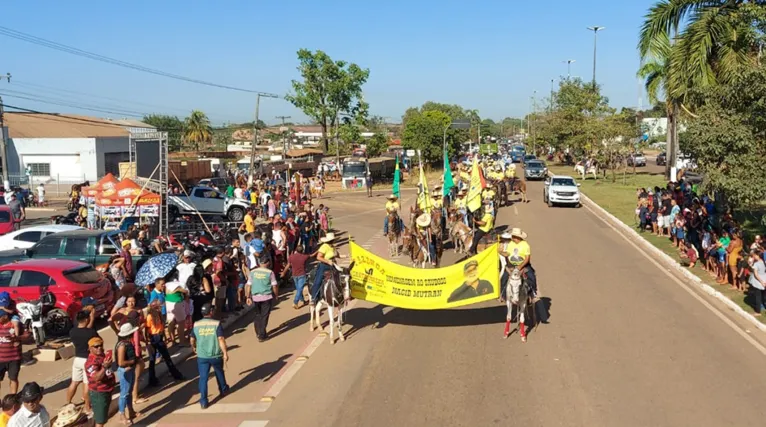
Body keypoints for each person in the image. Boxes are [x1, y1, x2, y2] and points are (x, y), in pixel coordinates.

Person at [190, 303, 229, 410]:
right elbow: (221, 339)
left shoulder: (196, 324)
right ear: (210, 312)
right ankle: (223, 390)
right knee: (219, 372)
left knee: (203, 378)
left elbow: (192, 339)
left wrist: (193, 347)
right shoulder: (216, 324)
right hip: (215, 354)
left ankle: (203, 401)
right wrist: (225, 352)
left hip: (202, 356)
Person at [65, 309, 98, 414]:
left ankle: (68, 402)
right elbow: (97, 340)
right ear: (87, 319)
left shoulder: (72, 331)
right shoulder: (91, 332)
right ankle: (87, 407)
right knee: (86, 384)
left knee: (74, 382)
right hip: (87, 360)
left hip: (77, 359)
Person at [145, 300, 184, 386]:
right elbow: (147, 330)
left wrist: (165, 338)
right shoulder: (150, 316)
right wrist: (148, 342)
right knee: (152, 360)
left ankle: (175, 374)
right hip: (153, 338)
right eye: (159, 306)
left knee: (166, 357)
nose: (161, 307)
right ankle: (152, 380)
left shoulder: (158, 314)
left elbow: (161, 327)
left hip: (159, 336)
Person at [245, 256, 279, 342]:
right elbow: (274, 285)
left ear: (259, 263)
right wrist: (276, 295)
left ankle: (258, 332)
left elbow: (248, 285)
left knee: (258, 315)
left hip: (255, 297)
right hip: (266, 297)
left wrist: (248, 297)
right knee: (265, 316)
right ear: (267, 263)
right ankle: (262, 334)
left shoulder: (253, 272)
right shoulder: (270, 272)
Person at [84, 337, 114, 427]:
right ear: (90, 348)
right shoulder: (91, 362)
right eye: (96, 346)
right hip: (99, 393)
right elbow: (96, 377)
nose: (99, 348)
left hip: (106, 390)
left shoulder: (101, 355)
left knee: (103, 418)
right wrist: (105, 367)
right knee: (100, 421)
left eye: (101, 345)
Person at [115, 323, 139, 425]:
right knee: (124, 394)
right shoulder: (122, 345)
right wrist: (132, 362)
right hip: (125, 371)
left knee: (129, 391)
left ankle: (131, 411)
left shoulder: (126, 343)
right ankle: (122, 415)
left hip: (129, 370)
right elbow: (121, 363)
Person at [504, 227, 537, 296]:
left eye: (514, 237)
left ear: (518, 237)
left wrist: (520, 266)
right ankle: (503, 295)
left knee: (532, 277)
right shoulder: (510, 244)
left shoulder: (525, 245)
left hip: (523, 265)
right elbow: (507, 254)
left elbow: (527, 258)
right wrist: (501, 252)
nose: (513, 238)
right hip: (511, 265)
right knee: (503, 278)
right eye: (512, 237)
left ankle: (533, 294)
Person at [0, 294, 21, 396]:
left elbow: (28, 336)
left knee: (13, 378)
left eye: (1, 316)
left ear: (5, 316)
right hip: (0, 358)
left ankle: (13, 397)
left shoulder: (15, 322)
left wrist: (17, 338)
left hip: (14, 358)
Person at [311, 233, 338, 303]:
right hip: (324, 266)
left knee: (340, 277)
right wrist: (327, 261)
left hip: (332, 265)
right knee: (318, 281)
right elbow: (318, 257)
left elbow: (337, 255)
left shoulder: (332, 247)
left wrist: (346, 256)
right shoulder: (324, 246)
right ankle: (314, 297)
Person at [282, 245, 312, 309]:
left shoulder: (291, 257)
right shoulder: (304, 256)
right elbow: (311, 255)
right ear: (302, 251)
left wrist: (284, 272)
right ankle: (295, 302)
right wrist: (317, 251)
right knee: (300, 289)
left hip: (294, 275)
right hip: (302, 275)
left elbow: (288, 265)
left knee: (299, 289)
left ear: (296, 250)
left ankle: (303, 300)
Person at [749, 250, 766, 316]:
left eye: (754, 255)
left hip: (758, 282)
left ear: (757, 255)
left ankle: (758, 312)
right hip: (764, 279)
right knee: (763, 296)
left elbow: (756, 274)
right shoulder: (763, 262)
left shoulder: (756, 263)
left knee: (757, 297)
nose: (753, 256)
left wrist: (761, 282)